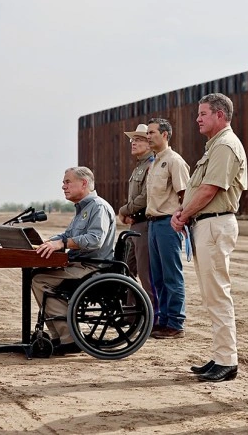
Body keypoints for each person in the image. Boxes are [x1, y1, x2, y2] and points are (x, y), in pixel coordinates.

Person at [170, 93, 247, 383]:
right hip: (207, 224)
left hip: (215, 224)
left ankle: (227, 360)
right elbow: (198, 189)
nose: (198, 119)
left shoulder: (225, 145)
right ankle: (220, 356)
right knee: (211, 295)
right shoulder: (214, 146)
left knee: (217, 294)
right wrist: (184, 212)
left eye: (203, 113)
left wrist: (184, 214)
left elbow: (209, 189)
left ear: (220, 115)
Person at [32, 167, 116, 355]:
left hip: (92, 267)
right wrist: (48, 243)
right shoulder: (83, 208)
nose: (63, 187)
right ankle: (59, 336)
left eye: (67, 182)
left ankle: (69, 338)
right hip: (81, 264)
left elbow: (95, 240)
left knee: (40, 280)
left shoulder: (98, 207)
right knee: (37, 274)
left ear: (84, 183)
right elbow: (67, 235)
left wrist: (62, 243)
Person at [145, 118, 190, 339]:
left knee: (172, 275)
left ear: (165, 135)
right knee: (158, 276)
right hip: (153, 223)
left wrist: (181, 220)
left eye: (152, 132)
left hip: (167, 223)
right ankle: (162, 320)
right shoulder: (154, 162)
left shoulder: (174, 161)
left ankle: (175, 323)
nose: (148, 136)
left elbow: (185, 195)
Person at [117, 124, 157, 317]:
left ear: (149, 143)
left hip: (145, 225)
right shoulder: (140, 166)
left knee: (145, 274)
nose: (133, 143)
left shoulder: (151, 165)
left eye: (138, 139)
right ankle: (132, 314)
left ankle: (148, 317)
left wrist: (124, 210)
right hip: (136, 224)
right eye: (132, 140)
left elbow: (146, 197)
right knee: (128, 270)